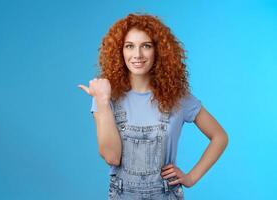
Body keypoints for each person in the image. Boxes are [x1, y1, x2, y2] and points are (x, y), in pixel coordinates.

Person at [78, 13, 228, 200]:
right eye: (129, 46)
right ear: (119, 51)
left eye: (146, 46)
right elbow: (112, 157)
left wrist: (190, 178)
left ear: (159, 51)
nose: (137, 55)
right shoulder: (106, 96)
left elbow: (220, 137)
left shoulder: (177, 98)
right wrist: (102, 101)